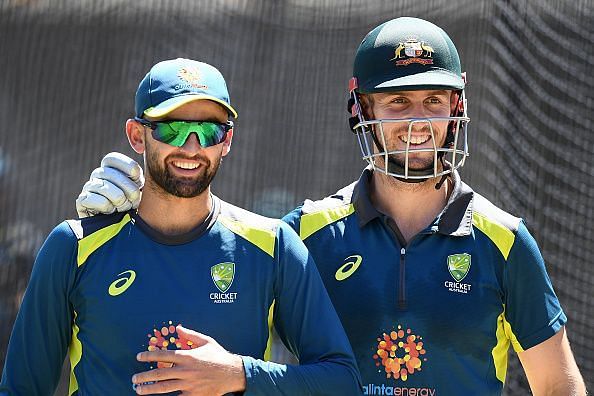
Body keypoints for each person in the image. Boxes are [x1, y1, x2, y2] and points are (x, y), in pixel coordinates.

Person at [71, 18, 586, 395]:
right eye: (398, 102)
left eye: (434, 101)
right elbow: (195, 281)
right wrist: (131, 217)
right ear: (362, 110)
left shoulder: (505, 240)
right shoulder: (305, 233)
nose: (418, 121)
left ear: (458, 111)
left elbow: (558, 387)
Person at [0, 58, 362, 395]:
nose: (191, 147)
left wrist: (239, 373)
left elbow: (342, 380)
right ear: (137, 135)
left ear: (228, 141)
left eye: (209, 132)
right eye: (172, 129)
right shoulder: (74, 246)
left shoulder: (274, 246)